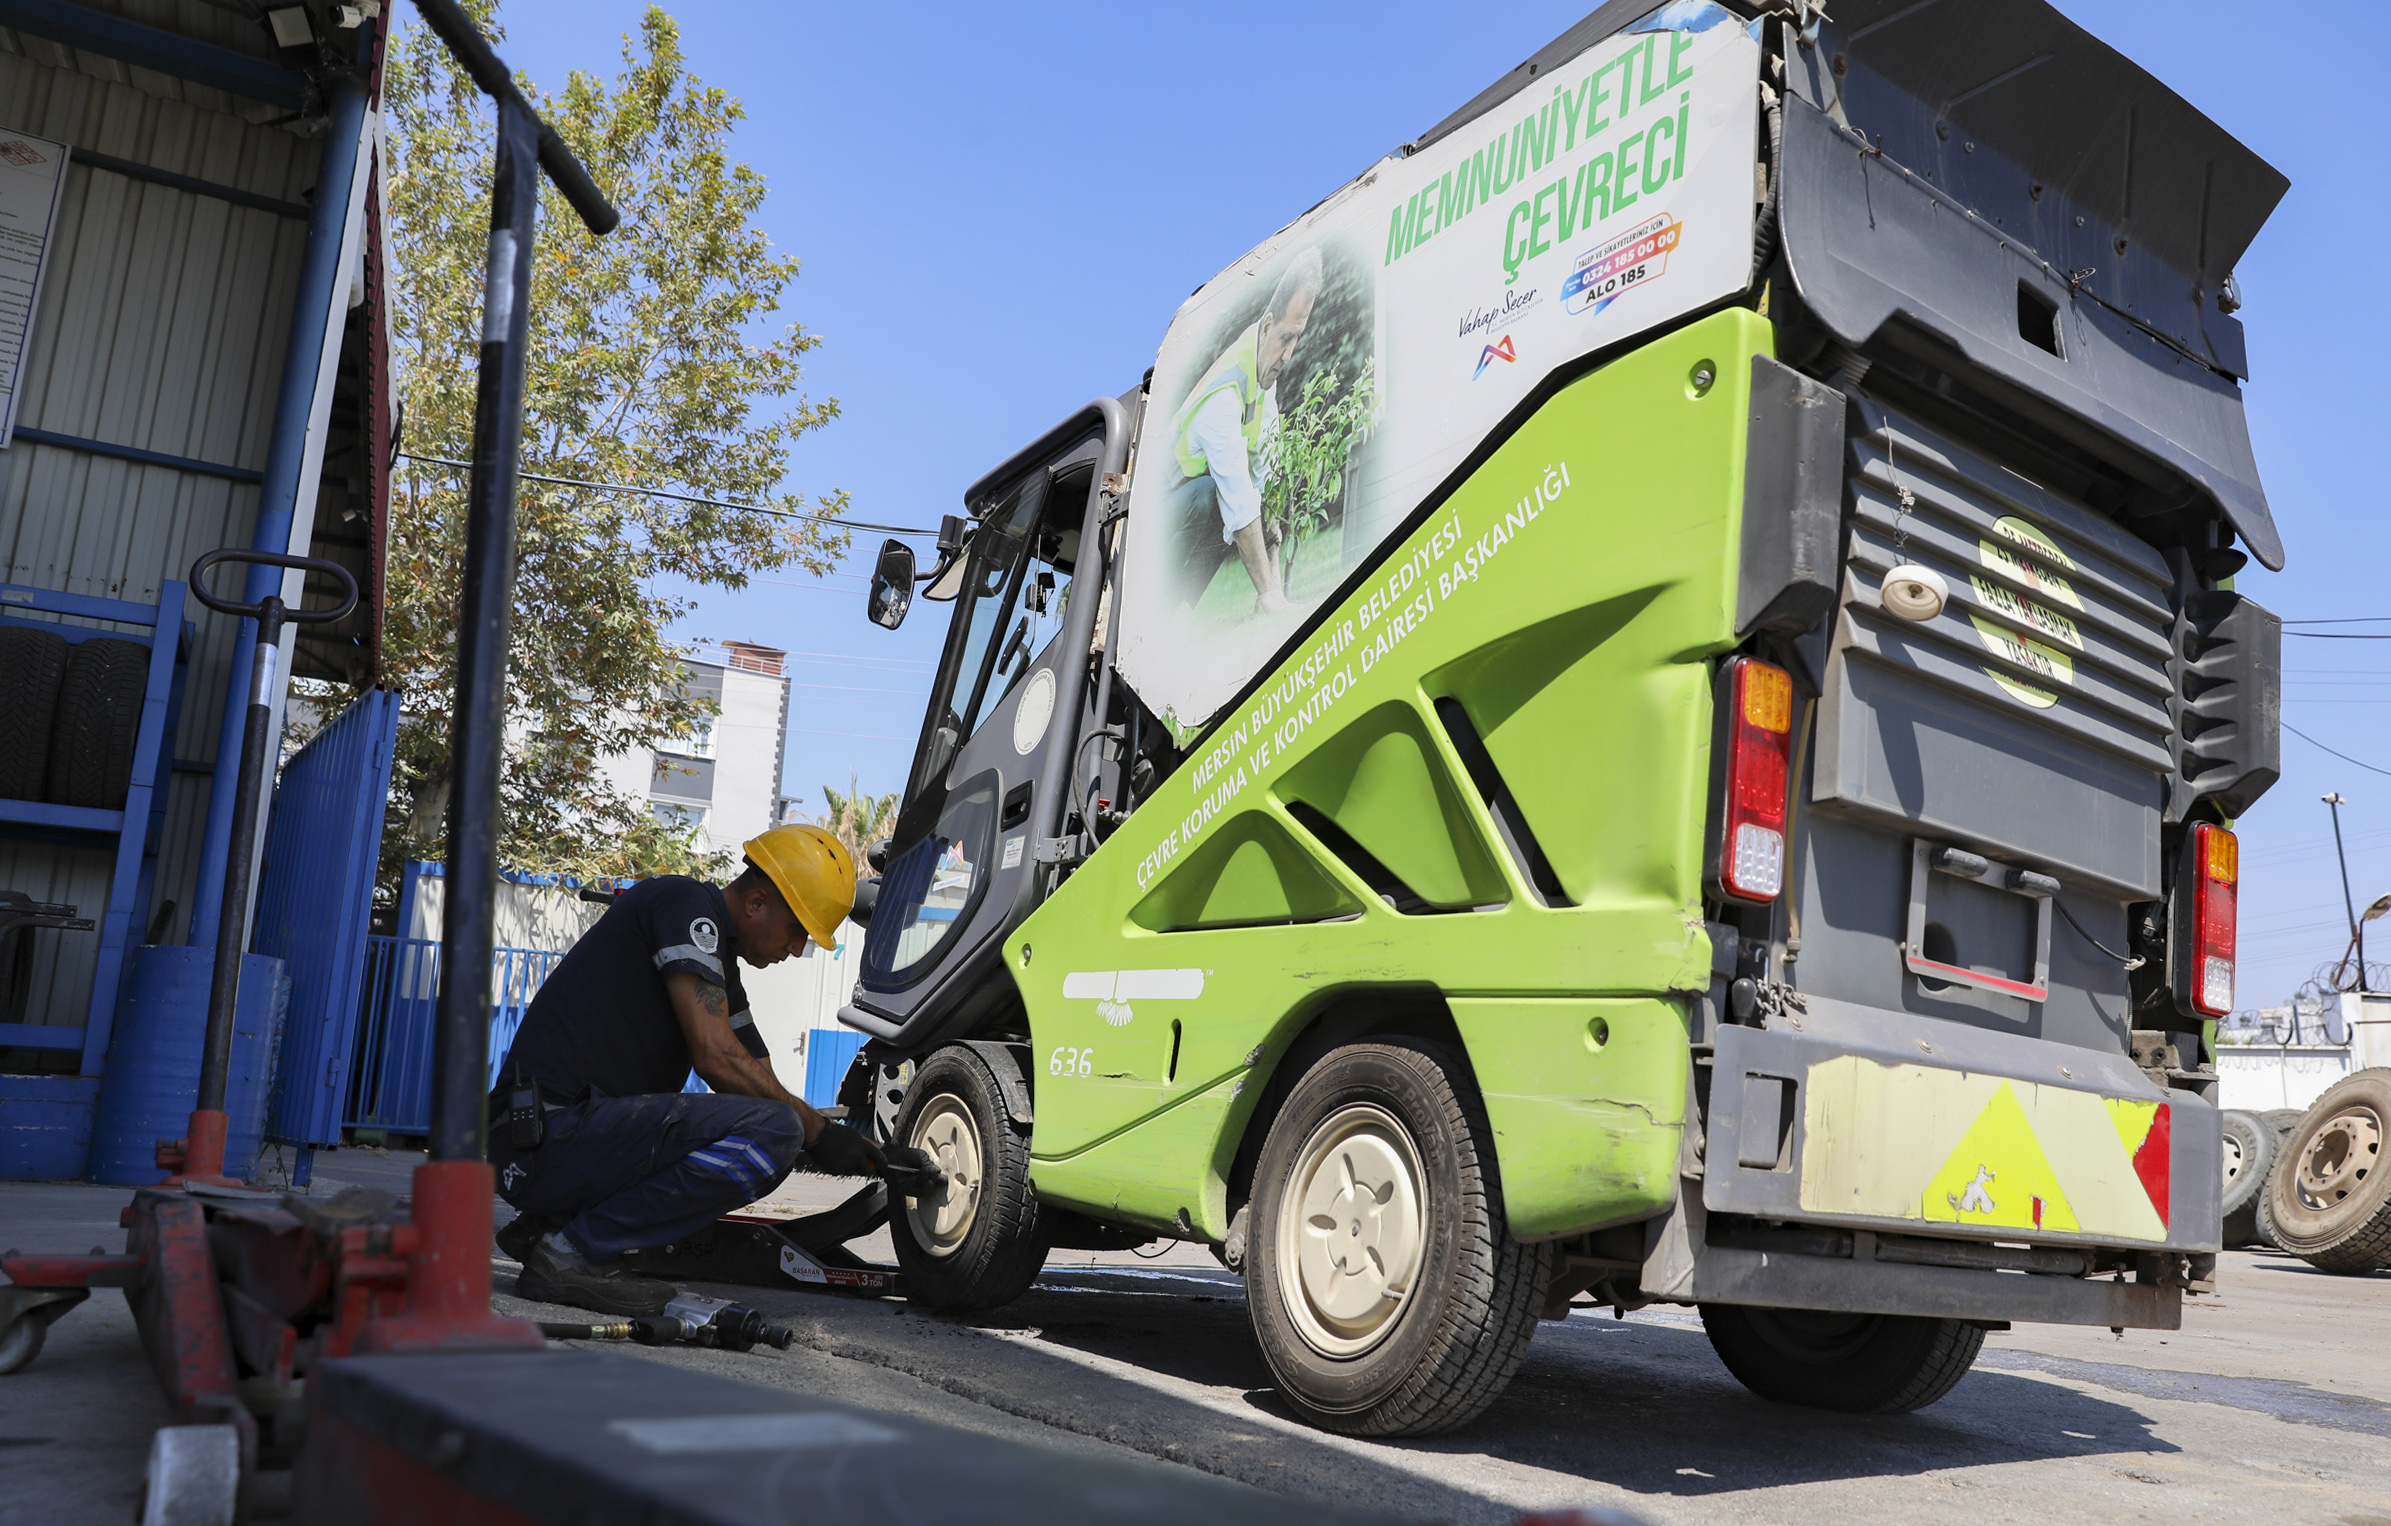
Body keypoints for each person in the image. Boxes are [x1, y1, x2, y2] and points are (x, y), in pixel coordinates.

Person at [488, 824, 926, 1316]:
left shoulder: (720, 966)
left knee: (779, 1129)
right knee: (776, 1133)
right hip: (543, 1138)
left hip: (562, 1139)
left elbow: (758, 1078)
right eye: (797, 931)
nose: (796, 949)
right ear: (758, 902)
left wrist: (859, 1148)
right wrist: (814, 1132)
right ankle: (573, 1251)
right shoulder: (684, 905)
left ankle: (553, 1228)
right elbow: (716, 1056)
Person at [1166, 247, 1324, 616]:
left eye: (1297, 339)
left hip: (1184, 513)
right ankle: (1168, 611)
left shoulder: (1262, 381)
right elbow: (1238, 499)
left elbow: (1265, 482)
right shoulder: (1224, 393)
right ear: (1267, 326)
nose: (1288, 355)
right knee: (1215, 497)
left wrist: (1274, 593)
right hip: (1150, 519)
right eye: (1285, 338)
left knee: (1236, 502)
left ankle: (1179, 614)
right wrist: (1267, 594)